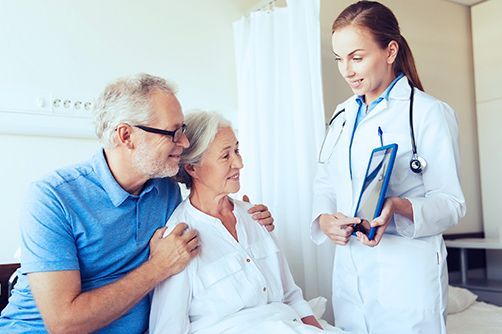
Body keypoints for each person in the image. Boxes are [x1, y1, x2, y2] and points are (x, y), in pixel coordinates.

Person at [0, 74, 274, 333]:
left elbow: (205, 189)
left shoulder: (164, 189)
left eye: (184, 130)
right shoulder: (52, 198)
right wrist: (157, 267)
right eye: (173, 133)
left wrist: (241, 214)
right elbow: (64, 324)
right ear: (126, 136)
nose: (185, 141)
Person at [311, 1, 466, 333]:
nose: (347, 71)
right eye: (340, 59)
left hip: (407, 275)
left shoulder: (428, 113)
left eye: (357, 57)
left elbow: (452, 204)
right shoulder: (342, 115)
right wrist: (324, 219)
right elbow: (325, 182)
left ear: (390, 51)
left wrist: (398, 207)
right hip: (351, 274)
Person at [149, 111, 346, 334]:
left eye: (237, 151)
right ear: (192, 168)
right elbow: (167, 328)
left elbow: (292, 295)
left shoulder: (255, 217)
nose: (239, 163)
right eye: (226, 156)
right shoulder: (178, 240)